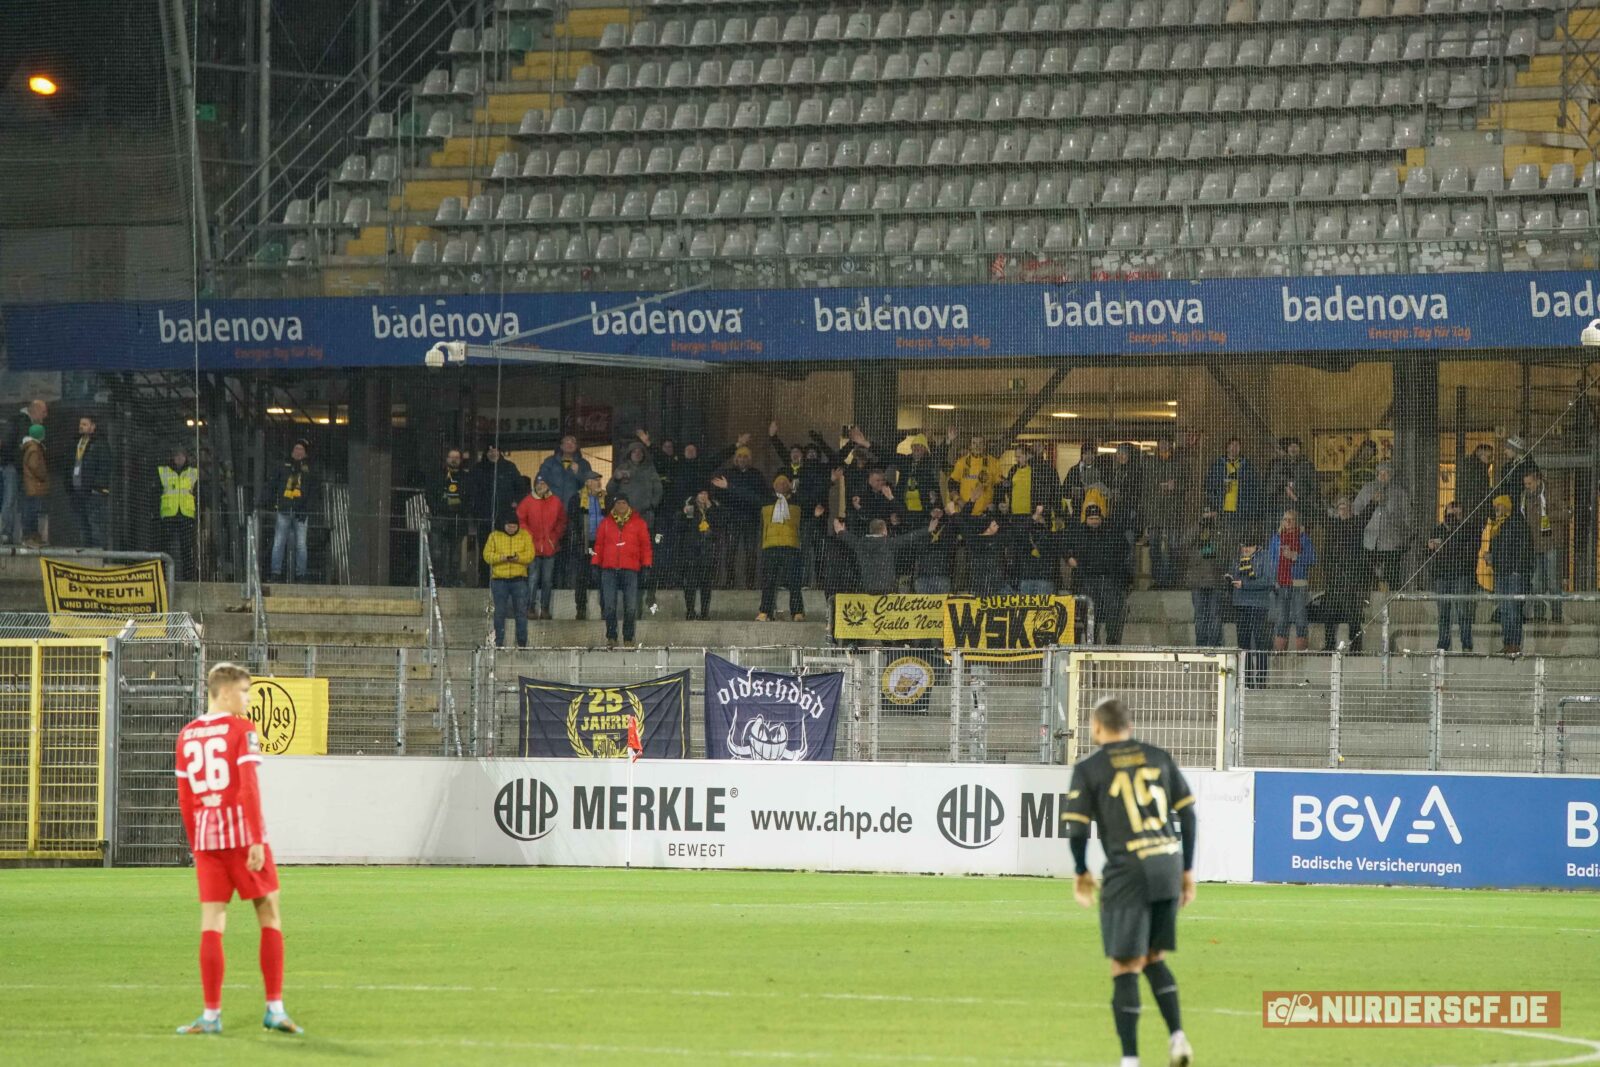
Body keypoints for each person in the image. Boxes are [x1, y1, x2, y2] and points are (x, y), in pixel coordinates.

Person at [1064, 696, 1197, 1067]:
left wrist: (1080, 870)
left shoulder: (1090, 768)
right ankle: (1178, 1037)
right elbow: (1189, 816)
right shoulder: (1158, 756)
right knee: (1153, 956)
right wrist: (1187, 870)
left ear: (1096, 727)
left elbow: (1076, 829)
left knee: (1124, 966)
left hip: (1129, 871)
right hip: (1168, 865)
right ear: (1130, 726)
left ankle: (1130, 1061)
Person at [173, 663, 303, 1036]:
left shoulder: (186, 735)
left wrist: (196, 843)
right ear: (225, 692)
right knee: (270, 916)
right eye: (245, 691)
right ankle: (274, 1010)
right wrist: (257, 839)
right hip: (243, 840)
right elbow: (248, 786)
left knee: (212, 926)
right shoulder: (241, 730)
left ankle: (211, 1015)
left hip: (207, 842)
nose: (248, 698)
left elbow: (185, 798)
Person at [720, 471, 805, 622]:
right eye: (778, 483)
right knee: (768, 581)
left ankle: (797, 612)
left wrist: (831, 480)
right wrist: (728, 486)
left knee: (794, 581)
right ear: (773, 486)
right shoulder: (766, 501)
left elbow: (814, 496)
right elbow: (747, 494)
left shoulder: (798, 501)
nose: (781, 485)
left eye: (784, 483)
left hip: (791, 546)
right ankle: (765, 611)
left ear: (789, 486)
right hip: (770, 546)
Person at [594, 494, 653, 648]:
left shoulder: (639, 523)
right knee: (609, 605)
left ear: (628, 505)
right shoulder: (605, 523)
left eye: (623, 502)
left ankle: (628, 637)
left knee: (631, 606)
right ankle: (611, 637)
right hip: (609, 569)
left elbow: (645, 546)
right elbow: (598, 546)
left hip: (630, 569)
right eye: (618, 503)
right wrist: (595, 563)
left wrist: (646, 564)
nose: (621, 505)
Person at [1068, 504, 1131, 644]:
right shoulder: (1078, 532)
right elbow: (1064, 546)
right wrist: (1069, 558)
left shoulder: (1111, 531)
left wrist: (1115, 564)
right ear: (1086, 518)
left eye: (1096, 518)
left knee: (1113, 611)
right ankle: (1092, 642)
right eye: (1091, 518)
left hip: (1108, 578)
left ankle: (1112, 643)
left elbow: (1125, 549)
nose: (1094, 521)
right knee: (1089, 613)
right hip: (1087, 579)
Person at [1320, 497, 1369, 652]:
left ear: (1350, 508)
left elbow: (1366, 515)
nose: (1342, 508)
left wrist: (1373, 502)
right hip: (1334, 576)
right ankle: (1329, 644)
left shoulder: (1356, 523)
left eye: (1345, 505)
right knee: (1328, 612)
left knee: (1352, 613)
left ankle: (1355, 646)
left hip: (1350, 576)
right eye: (1339, 505)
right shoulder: (1333, 525)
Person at [1352, 462, 1411, 590]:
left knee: (1392, 577)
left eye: (1387, 474)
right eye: (1381, 474)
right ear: (1377, 475)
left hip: (1392, 541)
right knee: (1367, 577)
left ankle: (1392, 602)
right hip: (1370, 541)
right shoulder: (1367, 489)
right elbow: (1356, 508)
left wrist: (1402, 533)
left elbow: (1408, 516)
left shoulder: (1399, 492)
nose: (1383, 477)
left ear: (1391, 476)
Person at [1429, 499, 1478, 653]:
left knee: (1463, 610)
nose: (1453, 517)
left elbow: (1468, 553)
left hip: (1461, 575)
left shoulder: (1468, 530)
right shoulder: (1438, 530)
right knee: (1443, 611)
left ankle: (1466, 644)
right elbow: (1429, 554)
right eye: (1450, 513)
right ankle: (1443, 643)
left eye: (1457, 514)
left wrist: (1446, 547)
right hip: (1442, 575)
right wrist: (1429, 547)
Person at [714, 442, 765, 589]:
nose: (742, 459)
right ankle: (729, 581)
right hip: (733, 519)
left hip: (751, 519)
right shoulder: (728, 474)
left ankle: (750, 583)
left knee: (751, 552)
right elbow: (718, 494)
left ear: (749, 459)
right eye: (739, 456)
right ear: (735, 459)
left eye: (745, 456)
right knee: (730, 550)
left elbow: (760, 497)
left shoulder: (756, 475)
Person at [1487, 493, 1533, 655]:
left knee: (1513, 608)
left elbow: (1524, 547)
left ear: (1506, 506)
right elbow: (1493, 548)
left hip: (1513, 573)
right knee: (1505, 609)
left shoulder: (1517, 523)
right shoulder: (1496, 526)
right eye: (1495, 507)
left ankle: (1514, 643)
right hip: (1500, 572)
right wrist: (1490, 558)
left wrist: (1517, 569)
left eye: (1499, 506)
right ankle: (1507, 643)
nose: (1496, 509)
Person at [1520, 467, 1567, 623]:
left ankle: (1557, 616)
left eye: (1530, 483)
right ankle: (1539, 616)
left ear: (1538, 480)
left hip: (1551, 543)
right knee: (1537, 583)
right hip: (1534, 545)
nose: (1527, 486)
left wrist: (1547, 516)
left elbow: (1567, 513)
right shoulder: (1525, 497)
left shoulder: (1551, 493)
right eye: (1525, 484)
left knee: (1553, 582)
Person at [1265, 509, 1316, 653]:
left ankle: (1302, 653)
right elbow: (1271, 560)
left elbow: (1313, 559)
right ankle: (1279, 652)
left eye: (1291, 519)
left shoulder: (1303, 538)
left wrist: (1295, 556)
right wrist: (1273, 578)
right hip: (1281, 583)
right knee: (1281, 619)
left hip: (1298, 583)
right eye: (1285, 519)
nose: (1288, 522)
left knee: (1300, 618)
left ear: (1296, 521)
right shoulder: (1276, 538)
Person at [518, 476, 566, 620]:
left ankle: (545, 609)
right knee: (532, 579)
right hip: (533, 548)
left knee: (547, 580)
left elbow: (562, 521)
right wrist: (530, 537)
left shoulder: (556, 502)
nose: (541, 486)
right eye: (539, 483)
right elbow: (521, 521)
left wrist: (554, 537)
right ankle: (530, 608)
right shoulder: (527, 502)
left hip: (550, 548)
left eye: (544, 483)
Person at [268, 441, 317, 584]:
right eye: (296, 448)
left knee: (301, 544)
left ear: (305, 453)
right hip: (284, 510)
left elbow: (313, 492)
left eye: (301, 449)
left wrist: (307, 509)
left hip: (300, 513)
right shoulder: (283, 467)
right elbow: (272, 485)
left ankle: (301, 574)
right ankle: (276, 573)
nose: (298, 452)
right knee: (279, 543)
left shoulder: (309, 470)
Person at [483, 514, 534, 648]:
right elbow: (487, 556)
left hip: (519, 580)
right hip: (499, 580)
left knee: (521, 613)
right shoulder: (494, 536)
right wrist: (501, 558)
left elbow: (530, 555)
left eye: (514, 526)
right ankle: (498, 643)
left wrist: (518, 558)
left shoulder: (525, 535)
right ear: (503, 525)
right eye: (509, 526)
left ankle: (522, 643)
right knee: (499, 612)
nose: (512, 529)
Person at [1180, 508, 1228, 647]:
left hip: (1215, 579)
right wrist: (1201, 524)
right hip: (1197, 579)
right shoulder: (1197, 528)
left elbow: (1225, 549)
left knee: (1215, 616)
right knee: (1200, 616)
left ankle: (1214, 647)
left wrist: (1215, 525)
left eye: (1211, 512)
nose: (1208, 515)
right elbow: (1185, 542)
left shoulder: (1220, 529)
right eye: (1206, 513)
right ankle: (1200, 646)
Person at [1229, 530, 1272, 687]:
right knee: (1243, 643)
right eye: (1243, 546)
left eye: (1249, 547)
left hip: (1259, 605)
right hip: (1241, 604)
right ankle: (1246, 681)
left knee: (1261, 642)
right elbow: (1233, 574)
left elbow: (1268, 581)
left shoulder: (1265, 556)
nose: (1245, 549)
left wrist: (1245, 584)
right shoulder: (1238, 557)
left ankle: (1260, 682)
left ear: (1256, 546)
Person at [1202, 437, 1260, 553]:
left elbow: (1255, 490)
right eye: (1232, 445)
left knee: (1239, 547)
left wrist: (1252, 512)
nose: (1234, 448)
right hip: (1221, 513)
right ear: (1227, 448)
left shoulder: (1247, 466)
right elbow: (1209, 488)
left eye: (1237, 446)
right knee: (1221, 546)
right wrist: (1213, 508)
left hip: (1241, 514)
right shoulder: (1218, 465)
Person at [1, 398, 46, 543]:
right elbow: (8, 444)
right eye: (44, 412)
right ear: (36, 410)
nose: (45, 416)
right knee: (11, 499)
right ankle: (6, 533)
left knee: (24, 501)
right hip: (14, 468)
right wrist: (14, 461)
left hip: (22, 470)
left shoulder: (32, 425)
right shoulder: (18, 422)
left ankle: (25, 534)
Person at [1142, 436, 1184, 589]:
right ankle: (1158, 580)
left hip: (1172, 513)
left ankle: (1172, 580)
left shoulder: (1178, 463)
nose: (1164, 445)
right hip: (1154, 513)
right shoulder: (1150, 463)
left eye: (1167, 442)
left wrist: (1176, 487)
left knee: (1172, 548)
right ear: (1158, 444)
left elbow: (1188, 484)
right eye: (1161, 442)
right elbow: (1145, 488)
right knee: (1154, 549)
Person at [425, 448, 470, 587]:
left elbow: (469, 498)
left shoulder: (465, 477)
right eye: (451, 457)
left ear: (461, 460)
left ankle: (453, 581)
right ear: (446, 459)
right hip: (440, 518)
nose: (454, 459)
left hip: (458, 520)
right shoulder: (437, 476)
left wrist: (459, 508)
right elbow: (430, 495)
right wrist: (439, 509)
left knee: (455, 554)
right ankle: (437, 580)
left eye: (457, 457)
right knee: (437, 552)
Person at [565, 471, 607, 620]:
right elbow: (572, 521)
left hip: (601, 544)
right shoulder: (576, 499)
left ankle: (605, 609)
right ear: (587, 482)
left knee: (603, 576)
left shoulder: (605, 498)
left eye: (599, 480)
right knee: (582, 576)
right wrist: (578, 539)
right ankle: (581, 609)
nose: (599, 483)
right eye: (596, 480)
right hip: (584, 543)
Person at [70, 414, 113, 549]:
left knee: (96, 525)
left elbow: (105, 467)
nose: (81, 426)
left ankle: (98, 557)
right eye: (80, 424)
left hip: (94, 493)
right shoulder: (76, 443)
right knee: (83, 525)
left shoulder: (100, 444)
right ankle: (87, 556)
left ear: (93, 426)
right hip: (79, 492)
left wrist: (97, 487)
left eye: (85, 424)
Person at [158, 444, 200, 581]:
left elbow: (199, 493)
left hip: (186, 515)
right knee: (166, 547)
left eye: (182, 456)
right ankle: (164, 576)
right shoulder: (163, 471)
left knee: (186, 549)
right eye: (177, 456)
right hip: (169, 514)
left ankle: (187, 578)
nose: (179, 459)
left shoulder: (193, 472)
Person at [678, 489, 719, 619]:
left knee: (706, 583)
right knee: (690, 582)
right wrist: (683, 514)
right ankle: (690, 611)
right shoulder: (690, 506)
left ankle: (704, 612)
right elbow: (680, 526)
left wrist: (711, 508)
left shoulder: (713, 507)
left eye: (706, 494)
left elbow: (720, 523)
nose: (703, 497)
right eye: (701, 494)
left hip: (707, 550)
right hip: (691, 550)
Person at [1265, 436, 1320, 521]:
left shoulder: (1307, 465)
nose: (1293, 449)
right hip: (1283, 507)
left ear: (1300, 449)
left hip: (1302, 507)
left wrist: (1307, 503)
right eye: (1291, 446)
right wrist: (1283, 485)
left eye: (1296, 446)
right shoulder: (1278, 466)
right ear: (1287, 448)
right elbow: (1270, 486)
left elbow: (1315, 487)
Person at [946, 434, 1002, 517]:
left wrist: (995, 504)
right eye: (974, 443)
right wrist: (958, 500)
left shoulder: (994, 462)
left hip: (985, 514)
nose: (977, 446)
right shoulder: (961, 462)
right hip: (965, 513)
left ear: (985, 446)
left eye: (980, 443)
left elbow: (999, 487)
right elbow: (952, 483)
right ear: (970, 446)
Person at [1011, 505, 1062, 595]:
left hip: (1045, 580)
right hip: (1026, 578)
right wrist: (1034, 517)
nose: (1038, 518)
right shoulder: (1024, 534)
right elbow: (1018, 532)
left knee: (1044, 609)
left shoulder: (1051, 536)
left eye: (1040, 517)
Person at [19, 423, 49, 547]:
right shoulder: (34, 448)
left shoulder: (32, 447)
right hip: (33, 485)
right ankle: (29, 537)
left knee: (32, 511)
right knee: (31, 511)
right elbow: (34, 465)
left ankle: (33, 536)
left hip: (31, 485)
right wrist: (43, 475)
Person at [1457, 442, 1494, 524]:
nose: (1490, 460)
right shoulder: (1478, 469)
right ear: (1480, 453)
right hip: (1475, 512)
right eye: (1489, 457)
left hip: (1469, 510)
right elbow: (1481, 491)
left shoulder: (1470, 465)